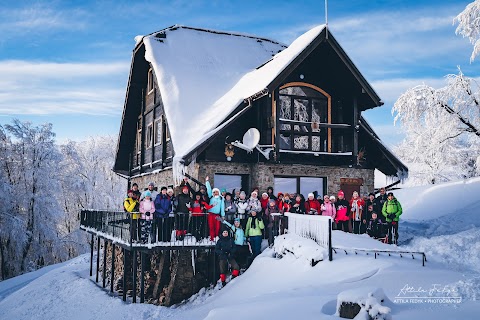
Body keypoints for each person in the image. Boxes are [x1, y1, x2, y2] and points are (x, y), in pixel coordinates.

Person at [206, 176, 225, 241]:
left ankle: (216, 236)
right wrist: (207, 182)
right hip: (210, 214)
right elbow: (208, 189)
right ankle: (212, 237)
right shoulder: (211, 197)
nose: (215, 193)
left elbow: (222, 207)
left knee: (217, 226)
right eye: (214, 192)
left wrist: (223, 215)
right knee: (211, 226)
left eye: (216, 192)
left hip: (217, 215)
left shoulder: (221, 198)